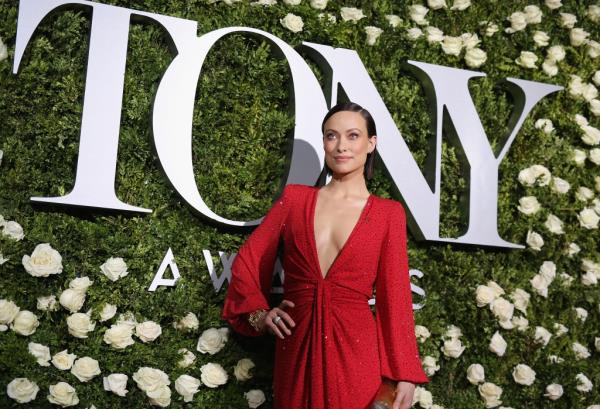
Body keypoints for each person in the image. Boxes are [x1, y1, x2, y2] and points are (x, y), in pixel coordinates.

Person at [221, 102, 429, 409]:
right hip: (297, 345)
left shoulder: (388, 214)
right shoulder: (295, 199)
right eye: (332, 136)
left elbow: (395, 298)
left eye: (353, 135)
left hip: (357, 353)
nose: (341, 146)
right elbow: (249, 260)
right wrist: (261, 314)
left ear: (371, 143)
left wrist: (405, 374)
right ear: (324, 143)